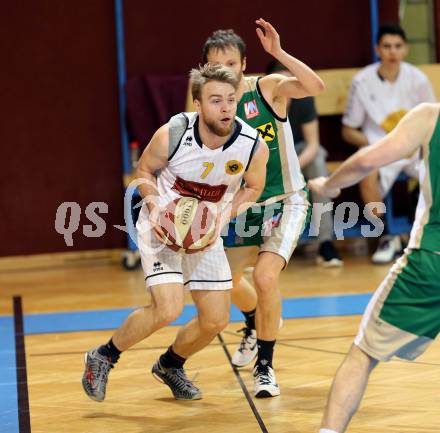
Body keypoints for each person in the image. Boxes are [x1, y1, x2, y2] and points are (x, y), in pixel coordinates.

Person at [81, 63, 268, 402]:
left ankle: (170, 365)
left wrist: (221, 218)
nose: (225, 108)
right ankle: (103, 356)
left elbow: (253, 187)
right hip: (161, 226)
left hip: (205, 230)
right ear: (197, 104)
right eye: (215, 101)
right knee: (167, 309)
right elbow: (144, 170)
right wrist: (157, 211)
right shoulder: (173, 133)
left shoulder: (252, 144)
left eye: (230, 100)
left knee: (215, 320)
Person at [202, 18, 325, 397]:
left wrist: (279, 54)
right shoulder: (208, 108)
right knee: (224, 281)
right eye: (215, 66)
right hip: (244, 205)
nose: (224, 71)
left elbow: (314, 87)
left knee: (266, 277)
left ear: (243, 64)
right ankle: (255, 322)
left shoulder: (266, 89)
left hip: (287, 201)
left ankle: (266, 368)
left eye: (231, 64)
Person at [309, 102, 440, 433]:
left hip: (430, 263)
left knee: (363, 354)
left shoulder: (430, 116)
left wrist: (328, 186)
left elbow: (367, 159)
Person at [342, 24, 436, 264]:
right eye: (387, 46)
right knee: (366, 172)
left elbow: (434, 121)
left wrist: (417, 144)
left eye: (397, 46)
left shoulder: (418, 79)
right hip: (382, 151)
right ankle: (386, 236)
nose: (392, 51)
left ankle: (424, 232)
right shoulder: (362, 81)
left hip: (415, 150)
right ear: (377, 49)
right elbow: (349, 130)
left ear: (405, 49)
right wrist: (376, 144)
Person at [267, 60, 342, 267]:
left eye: (290, 81)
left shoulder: (303, 100)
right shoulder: (261, 103)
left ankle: (325, 242)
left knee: (318, 163)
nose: (287, 87)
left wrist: (291, 166)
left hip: (298, 153)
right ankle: (256, 245)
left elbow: (313, 145)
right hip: (268, 155)